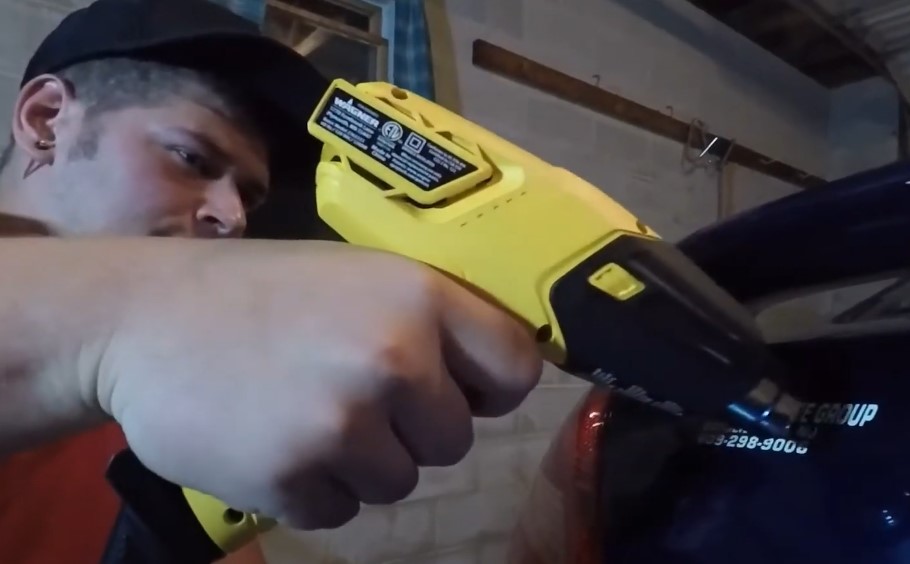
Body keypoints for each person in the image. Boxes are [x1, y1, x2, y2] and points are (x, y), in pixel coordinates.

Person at [0, 1, 543, 563]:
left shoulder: (183, 375)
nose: (233, 218)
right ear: (45, 120)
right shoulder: (136, 337)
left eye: (249, 195)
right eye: (191, 158)